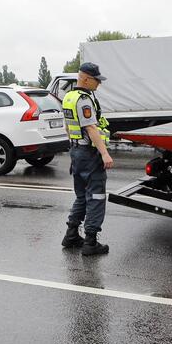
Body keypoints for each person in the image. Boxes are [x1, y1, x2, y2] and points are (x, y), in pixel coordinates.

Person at [60, 62, 114, 256]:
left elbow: (68, 127)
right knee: (96, 196)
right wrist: (105, 153)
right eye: (96, 80)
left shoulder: (69, 97)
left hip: (76, 151)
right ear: (85, 78)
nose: (98, 84)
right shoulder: (84, 99)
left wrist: (74, 149)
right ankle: (90, 242)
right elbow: (91, 128)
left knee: (82, 195)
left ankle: (71, 234)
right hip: (89, 154)